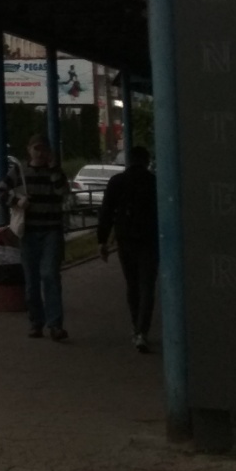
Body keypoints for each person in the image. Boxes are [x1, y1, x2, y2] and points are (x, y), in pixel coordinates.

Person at [1, 133, 71, 340]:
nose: (40, 153)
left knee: (50, 275)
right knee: (31, 280)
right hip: (29, 232)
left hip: (51, 231)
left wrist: (54, 169)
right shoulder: (19, 171)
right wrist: (16, 201)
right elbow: (0, 191)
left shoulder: (55, 172)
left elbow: (63, 193)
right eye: (36, 148)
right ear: (29, 150)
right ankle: (36, 322)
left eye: (43, 149)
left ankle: (55, 324)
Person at [98, 144, 160, 352]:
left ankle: (136, 327)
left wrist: (102, 240)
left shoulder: (117, 181)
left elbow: (107, 212)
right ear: (147, 161)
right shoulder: (153, 182)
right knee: (147, 286)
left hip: (126, 238)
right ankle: (143, 331)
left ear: (128, 161)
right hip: (150, 239)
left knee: (132, 285)